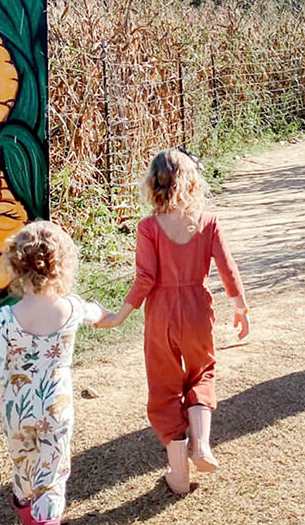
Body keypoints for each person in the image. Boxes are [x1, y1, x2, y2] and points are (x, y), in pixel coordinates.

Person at [96, 148, 249, 495]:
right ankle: (203, 444)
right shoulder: (208, 222)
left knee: (164, 388)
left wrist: (121, 314)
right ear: (191, 180)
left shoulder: (148, 227)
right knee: (202, 372)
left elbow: (146, 277)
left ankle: (178, 475)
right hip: (197, 310)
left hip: (161, 314)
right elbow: (227, 268)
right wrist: (241, 307)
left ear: (153, 184)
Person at [0, 221, 107, 525]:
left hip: (17, 409)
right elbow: (100, 315)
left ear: (15, 266)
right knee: (52, 477)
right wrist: (121, 314)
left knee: (24, 468)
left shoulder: (4, 319)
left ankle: (25, 507)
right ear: (63, 267)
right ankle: (43, 517)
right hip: (56, 406)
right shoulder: (72, 307)